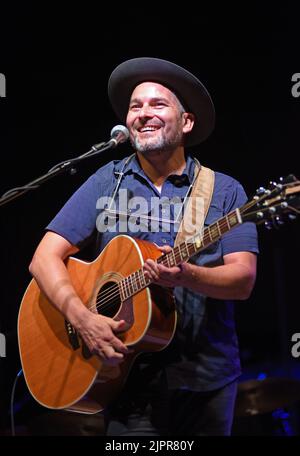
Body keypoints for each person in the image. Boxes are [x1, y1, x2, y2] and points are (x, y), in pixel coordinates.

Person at [29, 57, 258, 436]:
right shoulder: (108, 181)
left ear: (186, 122)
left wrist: (188, 275)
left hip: (204, 381)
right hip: (125, 379)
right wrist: (82, 317)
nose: (142, 114)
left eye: (157, 104)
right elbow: (43, 257)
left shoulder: (225, 190)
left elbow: (243, 280)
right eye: (135, 106)